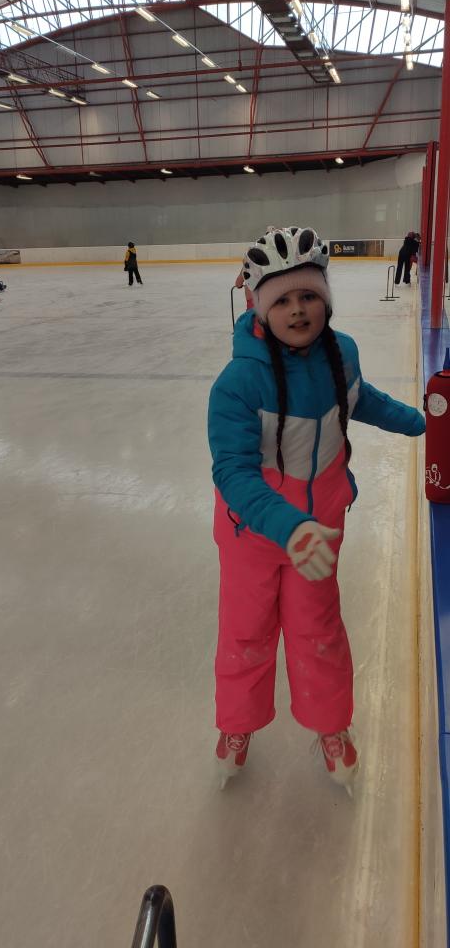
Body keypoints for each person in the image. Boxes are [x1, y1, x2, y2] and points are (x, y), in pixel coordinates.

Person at [208, 226, 425, 793]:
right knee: (246, 632)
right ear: (261, 307)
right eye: (282, 299)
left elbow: (359, 399)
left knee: (318, 631)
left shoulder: (341, 352)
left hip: (320, 531)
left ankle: (330, 727)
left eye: (309, 295)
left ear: (325, 298)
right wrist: (289, 525)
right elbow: (233, 472)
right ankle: (236, 725)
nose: (298, 309)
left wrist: (418, 420)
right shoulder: (238, 383)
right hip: (253, 534)